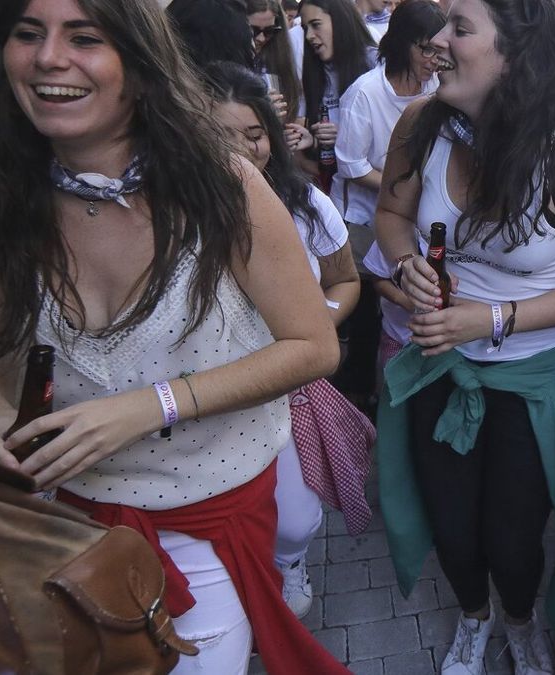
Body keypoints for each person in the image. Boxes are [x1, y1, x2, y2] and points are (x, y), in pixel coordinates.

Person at [0, 1, 345, 674]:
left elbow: (314, 345)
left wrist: (152, 403)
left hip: (207, 521)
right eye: (28, 34)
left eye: (84, 37)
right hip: (67, 522)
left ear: (139, 65)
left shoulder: (222, 187)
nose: (48, 56)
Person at [374, 0, 555, 671]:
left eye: (459, 29)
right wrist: (407, 265)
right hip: (440, 365)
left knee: (514, 542)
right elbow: (392, 214)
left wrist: (493, 318)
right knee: (454, 531)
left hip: (537, 381)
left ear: (515, 54)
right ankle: (474, 616)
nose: (437, 42)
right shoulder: (420, 126)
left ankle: (520, 619)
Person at [205, 60, 373, 620]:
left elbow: (344, 279)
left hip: (289, 387)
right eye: (220, 136)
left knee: (296, 516)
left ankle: (290, 562)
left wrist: (315, 321)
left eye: (253, 135)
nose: (241, 152)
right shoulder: (176, 215)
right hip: (206, 395)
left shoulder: (307, 206)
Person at [332, 0, 445, 409]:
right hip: (362, 217)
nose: (434, 61)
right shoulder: (364, 93)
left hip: (414, 212)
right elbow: (350, 164)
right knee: (365, 310)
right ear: (399, 44)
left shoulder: (435, 90)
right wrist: (403, 188)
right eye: (425, 50)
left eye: (439, 51)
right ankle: (358, 399)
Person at [298, 0, 377, 183]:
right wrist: (312, 140)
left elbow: (392, 135)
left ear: (341, 21)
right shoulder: (314, 72)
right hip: (336, 192)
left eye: (316, 25)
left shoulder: (374, 64)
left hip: (373, 194)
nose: (309, 36)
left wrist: (345, 137)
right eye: (305, 28)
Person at [246, 0, 305, 124]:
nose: (261, 38)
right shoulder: (229, 59)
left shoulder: (281, 57)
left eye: (269, 31)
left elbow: (293, 114)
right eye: (253, 30)